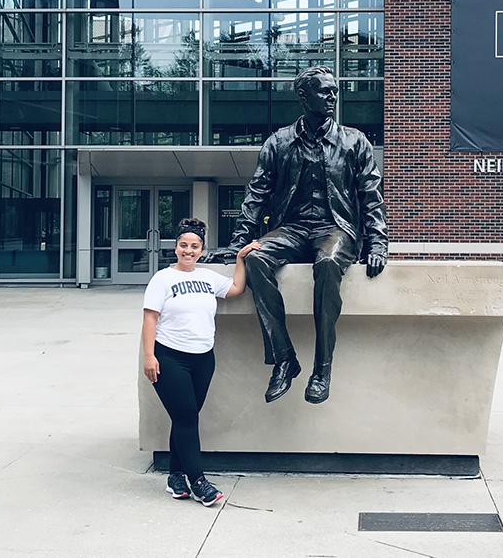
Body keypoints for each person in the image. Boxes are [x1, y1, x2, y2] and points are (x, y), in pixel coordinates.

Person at [201, 65, 388, 405]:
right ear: (304, 96)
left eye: (334, 90)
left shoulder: (354, 141)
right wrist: (236, 246)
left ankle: (322, 368)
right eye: (324, 91)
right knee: (255, 257)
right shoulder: (280, 142)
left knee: (329, 262)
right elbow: (256, 195)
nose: (332, 96)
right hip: (292, 228)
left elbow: (371, 196)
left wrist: (377, 242)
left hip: (336, 228)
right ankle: (285, 358)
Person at [142, 218, 260, 504]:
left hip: (203, 359)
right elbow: (150, 318)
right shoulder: (162, 279)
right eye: (183, 245)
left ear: (201, 250)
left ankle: (175, 476)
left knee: (184, 417)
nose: (188, 250)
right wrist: (149, 356)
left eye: (194, 246)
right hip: (169, 357)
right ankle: (198, 481)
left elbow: (235, 289)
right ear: (175, 247)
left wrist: (241, 258)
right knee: (186, 418)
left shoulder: (208, 277)